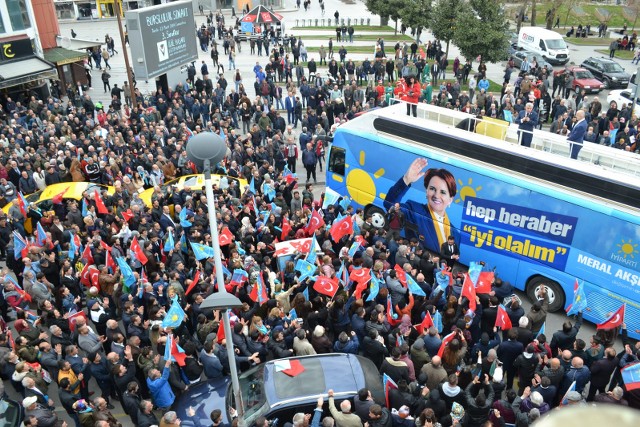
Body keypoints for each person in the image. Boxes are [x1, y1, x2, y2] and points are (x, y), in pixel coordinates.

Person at [384, 159, 458, 253]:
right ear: (427, 192)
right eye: (432, 189)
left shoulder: (456, 233)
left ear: (450, 200)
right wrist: (406, 179)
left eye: (443, 192)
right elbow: (389, 204)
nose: (436, 195)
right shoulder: (414, 210)